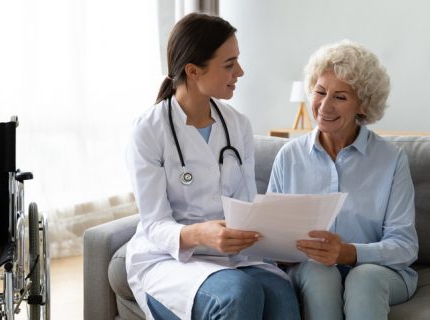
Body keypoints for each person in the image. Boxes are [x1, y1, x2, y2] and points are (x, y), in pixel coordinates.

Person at [125, 13, 300, 320]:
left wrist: (282, 240)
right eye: (229, 64)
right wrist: (200, 235)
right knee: (238, 293)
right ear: (193, 71)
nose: (240, 71)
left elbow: (246, 205)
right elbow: (154, 225)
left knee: (281, 295)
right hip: (169, 261)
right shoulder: (149, 131)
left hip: (234, 257)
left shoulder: (237, 125)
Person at [268, 40, 418, 319]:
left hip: (379, 272)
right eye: (320, 92)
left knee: (364, 278)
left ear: (363, 104)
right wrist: (279, 249)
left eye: (340, 97)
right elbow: (272, 238)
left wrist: (347, 253)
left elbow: (405, 245)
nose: (324, 106)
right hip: (310, 269)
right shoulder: (288, 157)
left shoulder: (392, 160)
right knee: (318, 271)